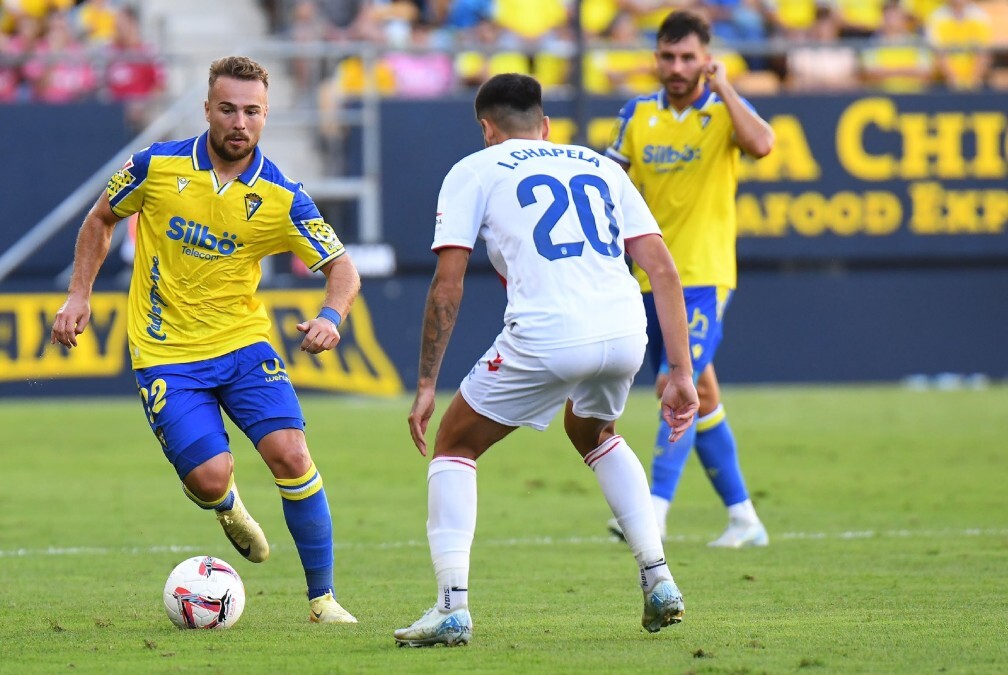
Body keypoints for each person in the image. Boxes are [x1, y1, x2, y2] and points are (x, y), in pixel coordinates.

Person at [50, 55, 362, 624]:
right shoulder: (155, 165)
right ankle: (227, 504)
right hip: (165, 352)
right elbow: (100, 218)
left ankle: (323, 600)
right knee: (210, 477)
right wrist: (79, 295)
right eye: (228, 109)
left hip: (243, 345)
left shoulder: (282, 196)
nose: (240, 122)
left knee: (292, 454)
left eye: (252, 111)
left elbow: (342, 267)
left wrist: (331, 316)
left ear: (266, 114)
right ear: (207, 110)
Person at [393, 73, 699, 647]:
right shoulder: (601, 166)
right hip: (625, 330)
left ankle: (451, 607)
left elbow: (448, 283)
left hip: (550, 333)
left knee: (454, 444)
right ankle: (659, 578)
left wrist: (427, 382)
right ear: (547, 125)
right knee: (593, 431)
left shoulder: (474, 169)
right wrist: (681, 372)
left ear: (487, 129)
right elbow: (662, 269)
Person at [604, 10, 774, 548]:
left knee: (673, 385)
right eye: (668, 56)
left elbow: (762, 144)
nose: (677, 67)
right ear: (656, 58)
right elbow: (610, 186)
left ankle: (653, 512)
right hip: (650, 278)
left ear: (706, 60)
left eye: (688, 57)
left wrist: (725, 88)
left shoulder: (723, 111)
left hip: (703, 276)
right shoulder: (637, 115)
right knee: (700, 389)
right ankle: (744, 517)